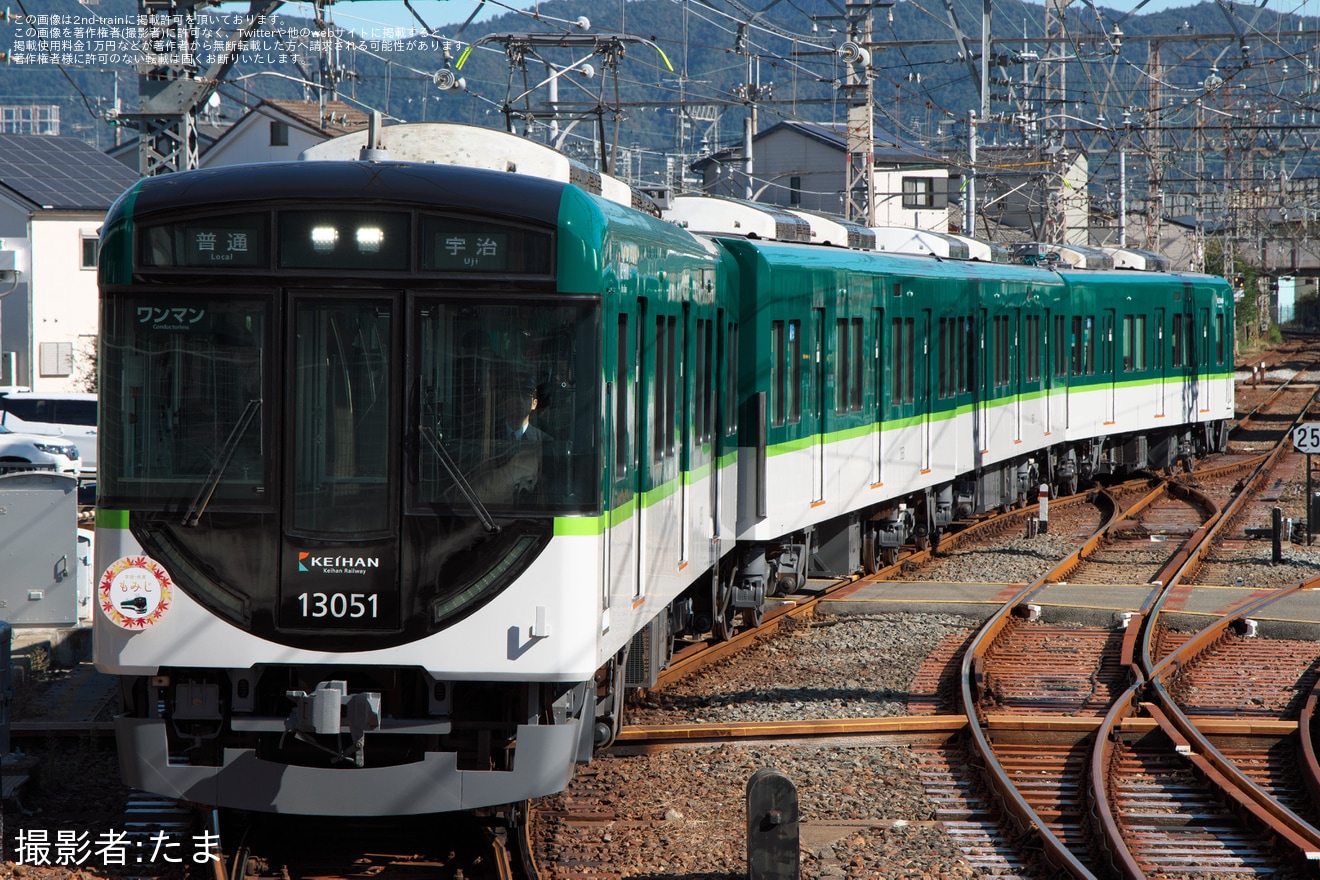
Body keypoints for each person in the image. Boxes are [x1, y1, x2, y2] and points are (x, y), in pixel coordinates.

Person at [471, 371, 548, 503]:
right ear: (503, 401)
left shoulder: (544, 441)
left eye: (525, 395)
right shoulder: (486, 436)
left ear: (534, 403)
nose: (518, 401)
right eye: (513, 395)